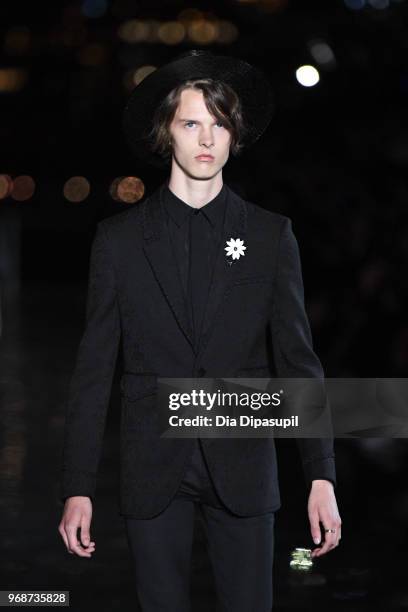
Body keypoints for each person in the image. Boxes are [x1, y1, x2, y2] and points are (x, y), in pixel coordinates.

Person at [58, 50, 342, 611]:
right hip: (150, 462)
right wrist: (76, 485)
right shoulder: (118, 242)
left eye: (219, 125)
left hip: (242, 459)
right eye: (192, 123)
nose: (206, 139)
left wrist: (321, 474)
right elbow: (94, 370)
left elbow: (297, 359)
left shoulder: (268, 236)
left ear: (234, 136)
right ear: (167, 132)